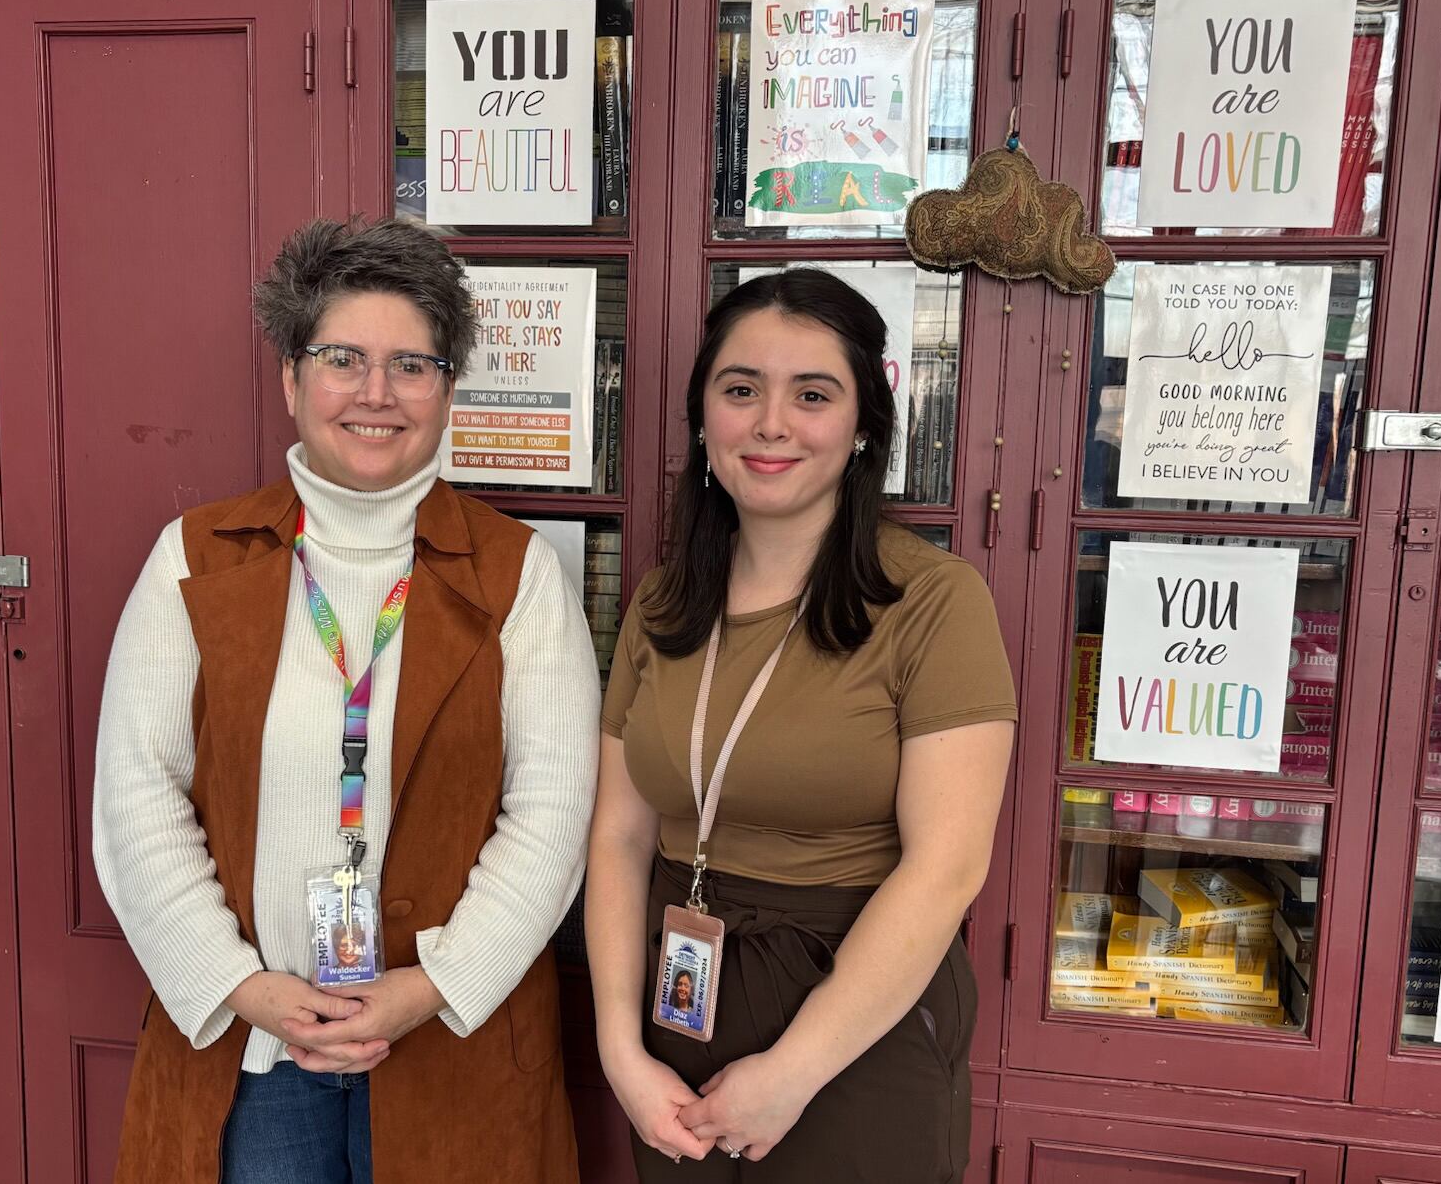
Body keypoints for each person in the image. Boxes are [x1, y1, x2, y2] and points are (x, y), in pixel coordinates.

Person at [92, 218, 600, 1184]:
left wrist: (434, 985)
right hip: (255, 1059)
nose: (377, 392)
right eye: (343, 358)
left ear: (448, 388)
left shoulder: (516, 574)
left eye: (412, 362)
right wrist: (243, 985)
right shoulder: (195, 562)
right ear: (291, 378)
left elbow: (553, 814)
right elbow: (136, 799)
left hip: (453, 1043)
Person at [586, 270, 1016, 1181]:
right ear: (705, 418)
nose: (771, 422)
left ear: (864, 424)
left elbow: (947, 869)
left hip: (855, 1015)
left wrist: (793, 1071)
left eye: (812, 394)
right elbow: (619, 838)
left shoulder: (933, 602)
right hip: (678, 1006)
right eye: (740, 390)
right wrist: (621, 1051)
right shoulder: (662, 605)